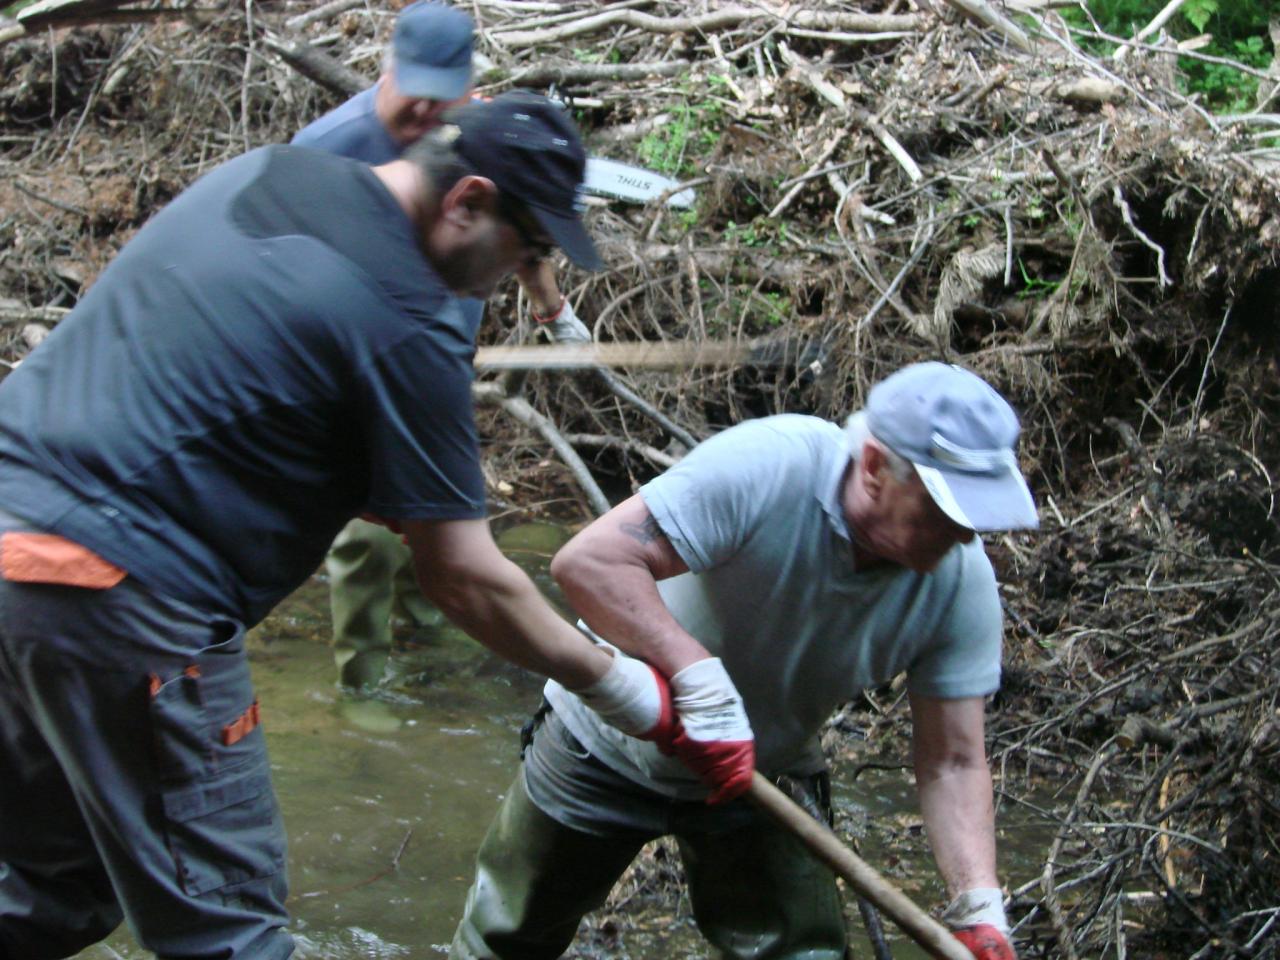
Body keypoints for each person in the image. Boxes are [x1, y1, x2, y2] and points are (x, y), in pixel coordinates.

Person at [0, 92, 701, 960]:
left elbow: (219, 382)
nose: (512, 281)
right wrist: (618, 686)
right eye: (525, 250)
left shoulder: (268, 172)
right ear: (468, 201)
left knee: (54, 886)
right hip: (118, 593)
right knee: (232, 934)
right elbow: (466, 579)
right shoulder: (410, 320)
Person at [449, 361, 1038, 960]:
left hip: (763, 771)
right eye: (943, 511)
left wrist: (978, 906)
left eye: (975, 515)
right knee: (506, 940)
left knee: (801, 956)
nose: (963, 535)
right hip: (604, 737)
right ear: (876, 467)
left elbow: (953, 761)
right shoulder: (771, 465)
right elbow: (590, 563)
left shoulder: (960, 585)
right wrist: (696, 678)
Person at [293, 0, 589, 688]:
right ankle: (360, 677)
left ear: (469, 83)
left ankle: (427, 641)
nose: (428, 112)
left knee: (444, 518)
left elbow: (525, 221)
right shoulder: (329, 146)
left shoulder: (481, 128)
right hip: (362, 369)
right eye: (414, 93)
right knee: (367, 531)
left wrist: (552, 308)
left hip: (443, 358)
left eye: (443, 95)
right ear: (387, 69)